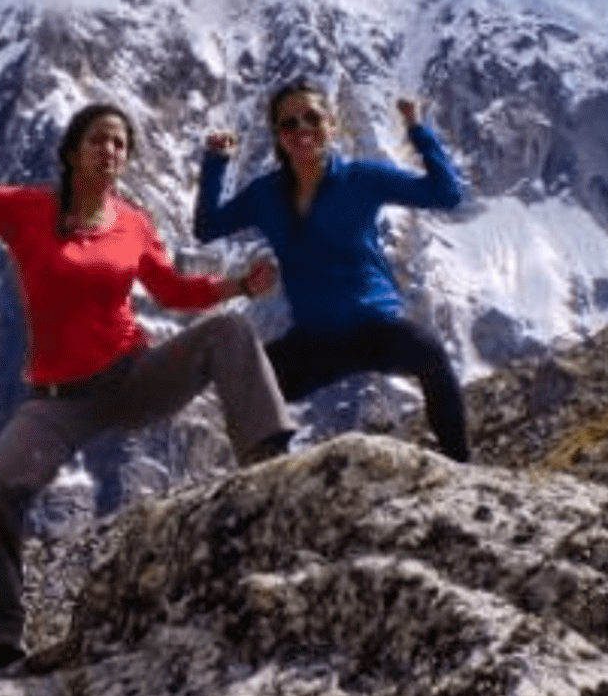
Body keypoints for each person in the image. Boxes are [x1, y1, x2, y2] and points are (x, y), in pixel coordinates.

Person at [0, 89, 296, 670]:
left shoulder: (133, 223)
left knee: (228, 332)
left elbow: (172, 291)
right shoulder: (26, 208)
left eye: (120, 144)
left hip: (132, 377)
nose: (110, 150)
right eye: (98, 140)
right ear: (72, 152)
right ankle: (4, 638)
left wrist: (238, 286)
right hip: (59, 403)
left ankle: (271, 469)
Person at [194, 78, 473, 461]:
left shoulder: (362, 178)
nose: (302, 129)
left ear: (332, 124)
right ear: (278, 136)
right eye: (289, 123)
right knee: (248, 381)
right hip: (315, 339)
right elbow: (207, 227)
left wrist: (417, 129)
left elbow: (446, 193)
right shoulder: (266, 194)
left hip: (374, 327)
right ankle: (272, 476)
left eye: (312, 118)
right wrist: (216, 162)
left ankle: (460, 465)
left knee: (430, 354)